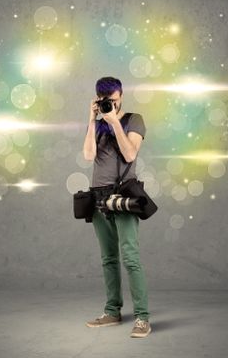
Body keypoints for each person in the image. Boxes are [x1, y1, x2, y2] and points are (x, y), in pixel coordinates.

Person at [82, 76, 151, 338]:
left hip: (123, 196)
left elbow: (130, 153)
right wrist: (92, 121)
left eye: (114, 99)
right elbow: (89, 155)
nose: (111, 103)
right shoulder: (97, 125)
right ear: (98, 99)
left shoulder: (134, 119)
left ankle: (142, 317)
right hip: (98, 197)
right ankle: (112, 311)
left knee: (130, 257)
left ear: (121, 96)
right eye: (105, 100)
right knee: (108, 258)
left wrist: (113, 122)